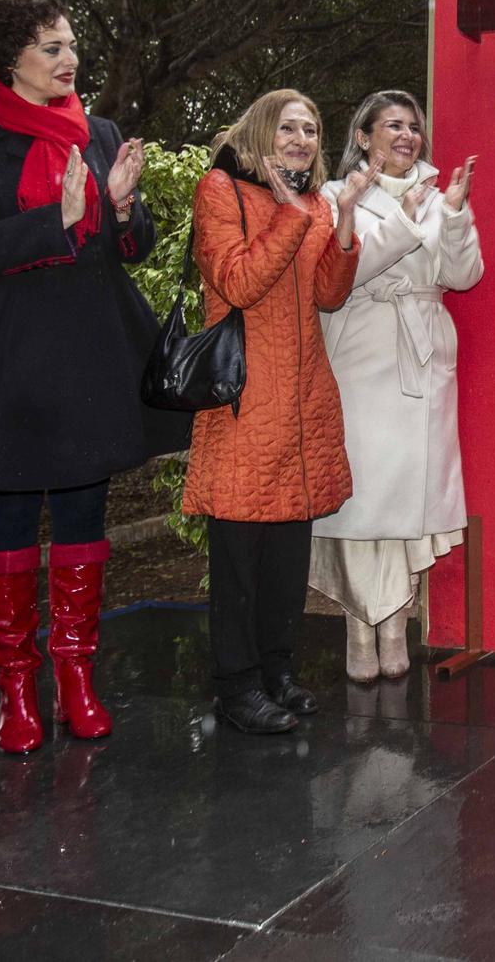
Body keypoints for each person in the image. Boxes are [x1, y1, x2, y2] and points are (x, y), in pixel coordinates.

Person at [0, 0, 191, 755]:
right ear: (9, 57)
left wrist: (119, 207)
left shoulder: (98, 130)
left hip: (89, 349)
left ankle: (78, 677)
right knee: (9, 516)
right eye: (50, 46)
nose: (68, 58)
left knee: (83, 513)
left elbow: (130, 243)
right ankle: (16, 688)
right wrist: (58, 216)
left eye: (70, 44)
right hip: (12, 356)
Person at [181, 89, 374, 735]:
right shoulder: (220, 190)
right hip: (245, 400)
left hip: (302, 401)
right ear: (262, 130)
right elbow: (237, 280)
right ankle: (236, 687)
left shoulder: (316, 202)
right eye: (289, 127)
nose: (301, 139)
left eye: (312, 129)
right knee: (239, 552)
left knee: (288, 549)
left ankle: (277, 670)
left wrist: (341, 221)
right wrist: (292, 214)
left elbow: (328, 292)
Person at [310, 91, 482, 682]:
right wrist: (407, 221)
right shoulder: (336, 196)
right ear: (363, 137)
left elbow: (463, 276)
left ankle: (397, 623)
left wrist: (454, 217)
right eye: (392, 125)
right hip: (361, 353)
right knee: (364, 500)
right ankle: (361, 628)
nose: (406, 135)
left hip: (423, 353)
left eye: (414, 126)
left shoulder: (440, 198)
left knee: (413, 495)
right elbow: (342, 271)